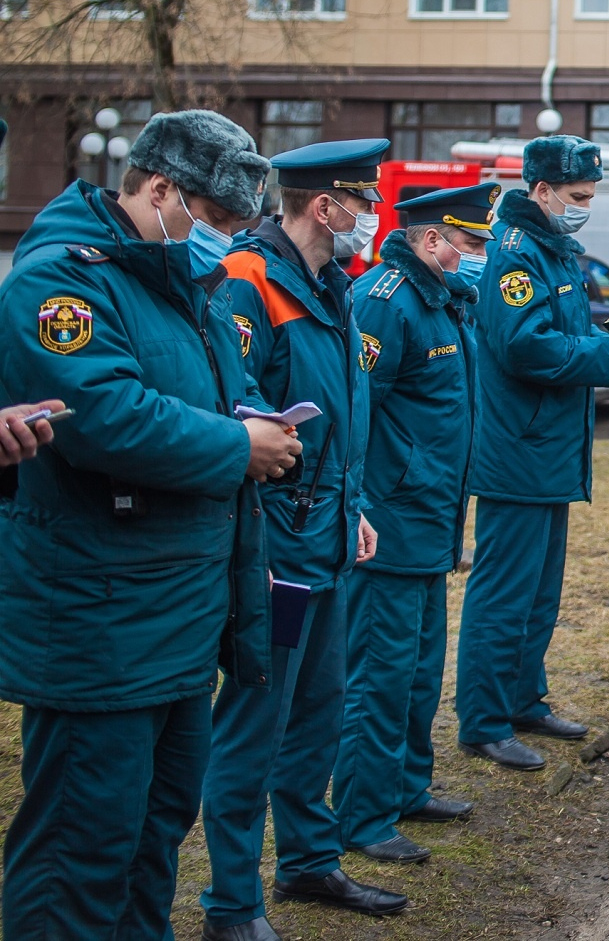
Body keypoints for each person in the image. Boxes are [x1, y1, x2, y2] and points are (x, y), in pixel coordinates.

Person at [0, 111, 295, 940]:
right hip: (101, 620)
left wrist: (262, 428)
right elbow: (100, 414)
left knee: (154, 833)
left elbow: (210, 398)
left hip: (178, 615)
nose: (226, 243)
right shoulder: (66, 278)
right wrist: (237, 444)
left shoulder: (180, 285)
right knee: (77, 852)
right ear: (161, 189)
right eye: (217, 222)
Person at [203, 138, 401, 935]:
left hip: (325, 536)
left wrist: (351, 503)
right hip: (273, 547)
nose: (371, 216)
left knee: (318, 713)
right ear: (325, 206)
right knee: (254, 725)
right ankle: (230, 904)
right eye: (363, 200)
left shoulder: (332, 284)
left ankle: (309, 864)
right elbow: (237, 402)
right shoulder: (248, 281)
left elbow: (340, 413)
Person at [458, 137, 609, 771]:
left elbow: (558, 336)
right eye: (578, 197)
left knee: (540, 591)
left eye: (592, 196)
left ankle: (524, 699)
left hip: (546, 448)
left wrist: (607, 337)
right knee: (503, 593)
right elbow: (524, 347)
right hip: (518, 451)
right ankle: (484, 720)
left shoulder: (554, 252)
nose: (586, 207)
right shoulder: (516, 257)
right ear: (541, 191)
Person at [332, 183, 498, 865]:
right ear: (433, 240)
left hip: (430, 521)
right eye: (472, 243)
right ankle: (363, 816)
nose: (481, 255)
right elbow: (353, 411)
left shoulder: (442, 300)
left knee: (420, 670)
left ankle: (405, 787)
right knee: (379, 673)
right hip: (391, 523)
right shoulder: (384, 300)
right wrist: (362, 506)